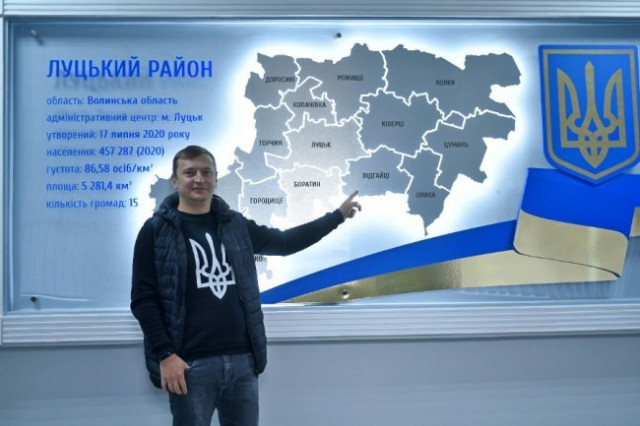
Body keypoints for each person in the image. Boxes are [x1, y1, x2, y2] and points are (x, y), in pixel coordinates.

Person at [131, 144, 361, 426]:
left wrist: (336, 217)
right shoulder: (155, 231)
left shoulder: (235, 225)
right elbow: (143, 299)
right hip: (189, 364)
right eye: (189, 173)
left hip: (241, 361)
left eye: (206, 172)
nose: (199, 179)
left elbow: (284, 242)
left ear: (216, 179)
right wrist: (166, 354)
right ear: (175, 181)